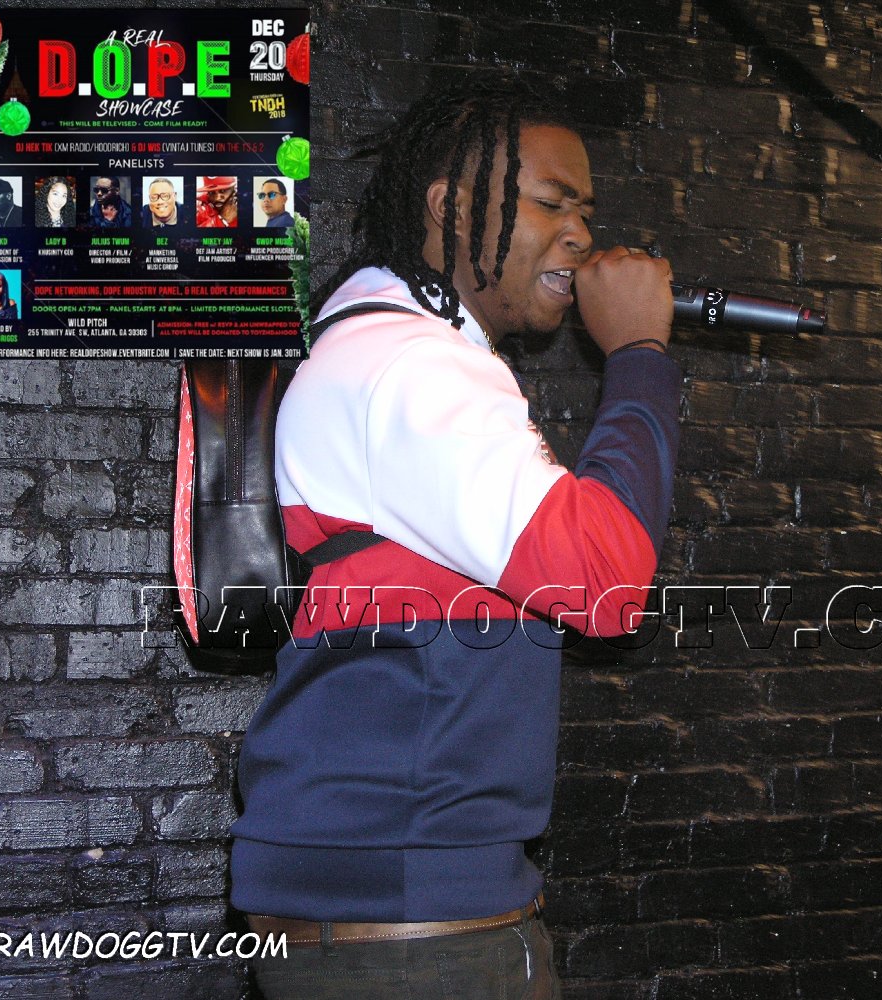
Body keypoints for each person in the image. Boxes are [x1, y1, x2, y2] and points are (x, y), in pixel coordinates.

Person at [232, 76, 680, 999]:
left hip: (388, 898)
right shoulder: (412, 365)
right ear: (449, 207)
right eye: (551, 203)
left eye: (585, 212)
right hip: (411, 923)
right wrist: (639, 354)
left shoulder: (376, 344)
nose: (579, 235)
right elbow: (605, 585)